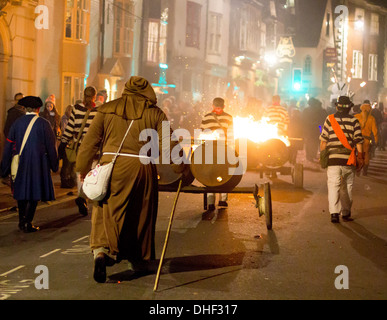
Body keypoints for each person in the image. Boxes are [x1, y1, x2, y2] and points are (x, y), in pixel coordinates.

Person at [76, 76, 185, 283]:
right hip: (141, 167)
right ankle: (138, 260)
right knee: (140, 214)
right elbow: (168, 145)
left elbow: (89, 142)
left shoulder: (106, 109)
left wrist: (82, 168)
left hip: (109, 167)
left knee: (104, 211)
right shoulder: (155, 113)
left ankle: (101, 251)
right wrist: (181, 167)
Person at [1, 96, 59, 232]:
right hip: (39, 163)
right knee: (35, 193)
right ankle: (28, 221)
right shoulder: (44, 124)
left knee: (21, 192)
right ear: (38, 109)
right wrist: (54, 165)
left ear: (24, 108)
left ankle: (22, 220)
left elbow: (8, 146)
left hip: (20, 162)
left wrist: (4, 168)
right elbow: (51, 147)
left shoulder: (17, 123)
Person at [319, 96, 364, 223]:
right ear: (350, 107)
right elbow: (359, 142)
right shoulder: (354, 121)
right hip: (348, 160)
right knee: (347, 186)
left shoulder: (329, 119)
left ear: (337, 106)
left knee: (333, 186)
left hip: (333, 160)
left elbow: (323, 142)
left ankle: (334, 213)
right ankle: (346, 212)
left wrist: (323, 156)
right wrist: (360, 158)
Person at [58, 86, 98, 216]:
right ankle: (82, 197)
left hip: (80, 147)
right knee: (92, 175)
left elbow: (69, 129)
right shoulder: (98, 111)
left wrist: (63, 143)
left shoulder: (76, 109)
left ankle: (82, 197)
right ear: (94, 97)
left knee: (80, 174)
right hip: (93, 148)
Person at [200, 97, 234, 211]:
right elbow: (230, 135)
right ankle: (223, 200)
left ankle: (210, 202)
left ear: (212, 106)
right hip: (223, 149)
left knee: (209, 174)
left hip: (209, 150)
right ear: (224, 106)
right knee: (224, 173)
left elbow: (202, 134)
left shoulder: (206, 117)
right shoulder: (228, 117)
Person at [354, 102, 378, 176]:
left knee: (357, 154)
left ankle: (357, 170)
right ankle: (365, 171)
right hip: (367, 140)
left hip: (357, 139)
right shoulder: (372, 118)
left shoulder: (356, 116)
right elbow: (375, 131)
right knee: (366, 155)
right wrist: (376, 140)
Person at [302, 98, 328, 162]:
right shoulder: (320, 110)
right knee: (316, 140)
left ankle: (309, 155)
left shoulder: (306, 110)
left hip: (310, 128)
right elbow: (324, 119)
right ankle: (313, 154)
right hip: (318, 127)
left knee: (309, 141)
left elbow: (303, 120)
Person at [60, 105, 77, 188]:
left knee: (71, 164)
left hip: (70, 144)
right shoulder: (65, 119)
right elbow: (65, 130)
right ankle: (66, 180)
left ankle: (70, 180)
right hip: (68, 144)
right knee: (67, 164)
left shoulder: (73, 120)